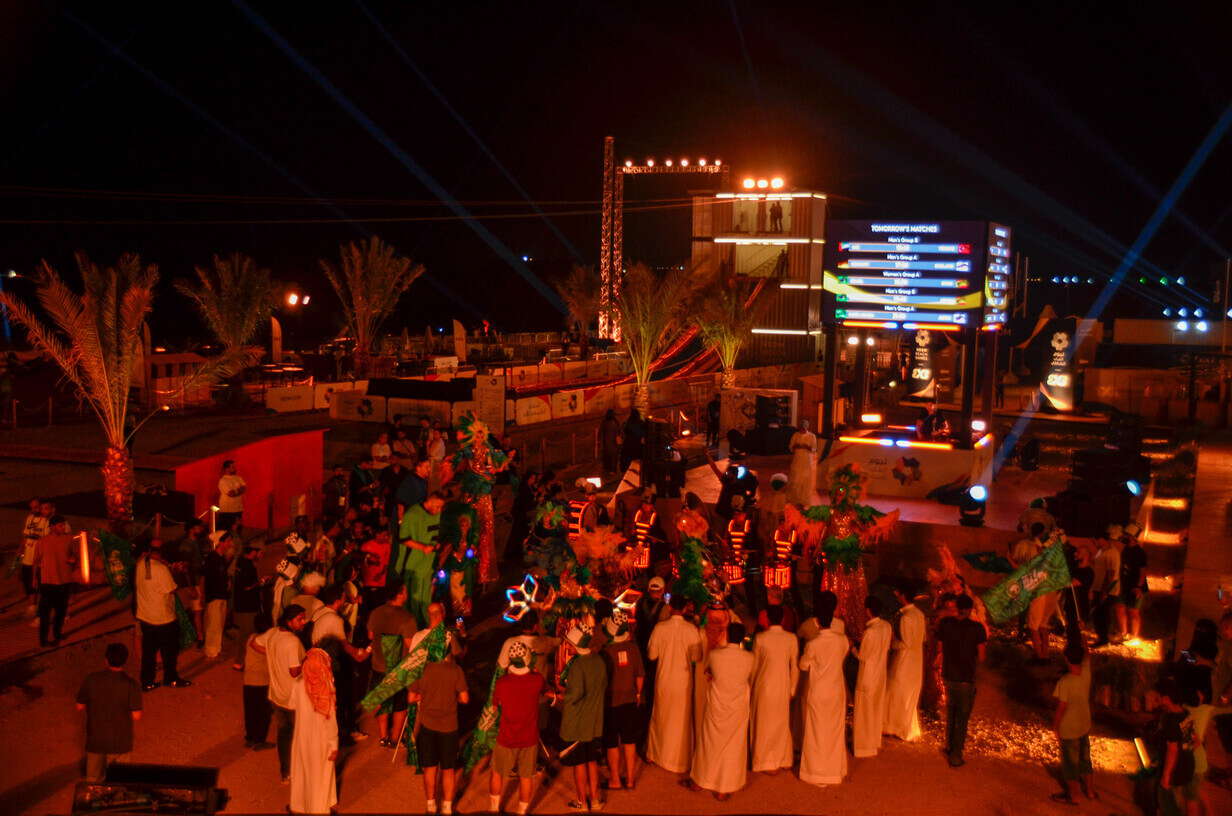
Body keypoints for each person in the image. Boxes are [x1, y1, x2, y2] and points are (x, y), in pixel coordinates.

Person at [688, 621, 755, 800]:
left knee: (709, 743)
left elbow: (707, 670)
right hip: (737, 707)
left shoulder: (715, 655)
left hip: (717, 705)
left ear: (727, 635)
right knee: (733, 747)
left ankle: (700, 781)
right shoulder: (749, 658)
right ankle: (724, 788)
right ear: (742, 639)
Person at [408, 627, 470, 815]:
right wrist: (454, 698)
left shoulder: (422, 670)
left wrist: (424, 696)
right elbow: (465, 699)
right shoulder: (456, 670)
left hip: (427, 726)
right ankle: (447, 807)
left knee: (430, 768)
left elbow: (411, 698)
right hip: (449, 727)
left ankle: (430, 806)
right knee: (449, 769)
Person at [646, 592, 702, 775]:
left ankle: (655, 753)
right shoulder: (691, 630)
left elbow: (652, 655)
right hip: (683, 680)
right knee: (681, 719)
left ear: (670, 607)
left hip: (664, 679)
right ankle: (680, 759)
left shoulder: (660, 628)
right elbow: (697, 657)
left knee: (661, 716)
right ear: (685, 608)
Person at [490, 641, 549, 815]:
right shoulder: (537, 680)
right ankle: (521, 811)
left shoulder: (502, 682)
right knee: (526, 777)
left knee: (496, 772)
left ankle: (494, 807)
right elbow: (543, 688)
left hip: (506, 736)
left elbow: (495, 706)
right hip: (529, 738)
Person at [309, 585, 373, 744]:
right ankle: (346, 732)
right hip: (333, 664)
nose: (346, 600)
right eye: (344, 597)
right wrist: (363, 651)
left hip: (318, 661)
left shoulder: (319, 612)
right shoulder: (335, 620)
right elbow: (346, 647)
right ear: (339, 600)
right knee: (344, 698)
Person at [799, 591, 849, 787]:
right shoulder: (842, 640)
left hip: (819, 691)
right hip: (836, 690)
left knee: (816, 731)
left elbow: (803, 665)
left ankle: (815, 772)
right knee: (835, 731)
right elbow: (843, 654)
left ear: (818, 622)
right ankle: (834, 771)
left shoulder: (813, 644)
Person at [256, 603, 308, 783]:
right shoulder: (293, 642)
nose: (303, 622)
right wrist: (309, 661)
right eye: (300, 619)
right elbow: (294, 671)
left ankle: (285, 772)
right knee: (300, 736)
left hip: (277, 695)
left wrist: (273, 654)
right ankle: (301, 772)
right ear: (289, 621)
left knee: (283, 735)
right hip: (293, 698)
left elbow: (254, 643)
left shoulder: (272, 633)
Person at [558, 624, 607, 812]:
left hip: (578, 722)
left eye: (569, 643)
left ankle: (581, 801)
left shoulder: (577, 665)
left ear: (577, 645)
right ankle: (595, 799)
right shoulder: (598, 660)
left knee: (579, 763)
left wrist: (558, 695)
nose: (567, 646)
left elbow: (575, 694)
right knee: (591, 761)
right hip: (595, 721)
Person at [76, 643, 142, 781]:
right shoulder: (131, 685)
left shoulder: (91, 680)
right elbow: (137, 716)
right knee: (119, 779)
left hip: (96, 739)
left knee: (93, 778)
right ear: (127, 660)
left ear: (106, 660)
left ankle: (93, 795)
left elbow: (80, 706)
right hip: (120, 741)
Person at [935, 593, 986, 767]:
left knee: (952, 713)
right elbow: (981, 656)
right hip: (966, 677)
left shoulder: (945, 623)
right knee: (962, 718)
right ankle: (956, 755)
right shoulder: (976, 628)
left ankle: (949, 746)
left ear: (957, 607)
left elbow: (940, 648)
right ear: (970, 609)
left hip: (948, 675)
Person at [367, 583, 418, 748]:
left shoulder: (376, 613)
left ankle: (383, 736)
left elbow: (370, 635)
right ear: (401, 594)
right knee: (400, 704)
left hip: (378, 665)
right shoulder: (407, 618)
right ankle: (395, 738)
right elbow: (410, 644)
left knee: (382, 702)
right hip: (398, 669)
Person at [289, 647, 339, 815]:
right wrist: (334, 744)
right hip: (321, 740)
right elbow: (330, 720)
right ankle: (319, 809)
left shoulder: (298, 683)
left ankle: (300, 806)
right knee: (320, 776)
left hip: (302, 736)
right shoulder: (326, 689)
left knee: (303, 771)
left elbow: (291, 704)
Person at [134, 540, 189, 690]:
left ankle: (147, 682)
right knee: (169, 651)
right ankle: (170, 678)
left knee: (148, 652)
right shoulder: (161, 569)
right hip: (163, 618)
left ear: (149, 550)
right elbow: (172, 589)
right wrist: (175, 573)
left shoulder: (141, 564)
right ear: (163, 551)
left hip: (146, 617)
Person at [750, 605, 799, 774]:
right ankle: (784, 758)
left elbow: (754, 665)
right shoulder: (791, 638)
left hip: (764, 685)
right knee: (781, 721)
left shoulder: (760, 638)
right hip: (783, 685)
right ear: (783, 619)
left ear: (768, 619)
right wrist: (792, 688)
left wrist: (750, 685)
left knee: (764, 723)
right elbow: (795, 666)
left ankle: (766, 760)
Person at [599, 609, 644, 790]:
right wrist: (638, 694)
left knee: (612, 743)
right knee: (629, 740)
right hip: (630, 699)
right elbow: (640, 675)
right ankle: (630, 779)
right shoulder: (634, 648)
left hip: (611, 702)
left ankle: (615, 779)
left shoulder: (606, 652)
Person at [1051, 642, 1094, 804]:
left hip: (1069, 728)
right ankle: (1090, 791)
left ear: (1067, 659)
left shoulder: (1065, 682)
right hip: (1084, 723)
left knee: (1070, 764)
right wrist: (1083, 641)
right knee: (1085, 758)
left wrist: (1055, 727)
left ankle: (1074, 796)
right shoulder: (1086, 671)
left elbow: (1061, 709)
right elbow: (1087, 656)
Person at [883, 580, 924, 742]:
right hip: (916, 660)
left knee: (895, 692)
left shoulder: (906, 617)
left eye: (899, 594)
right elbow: (921, 638)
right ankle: (901, 727)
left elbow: (905, 643)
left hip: (904, 660)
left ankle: (893, 727)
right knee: (906, 695)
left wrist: (892, 641)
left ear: (903, 596)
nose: (897, 596)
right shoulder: (919, 614)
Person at [852, 595, 892, 758]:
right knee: (875, 710)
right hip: (880, 675)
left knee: (863, 713)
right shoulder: (886, 626)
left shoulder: (870, 632)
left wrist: (853, 648)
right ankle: (874, 741)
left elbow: (862, 656)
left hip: (867, 676)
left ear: (868, 611)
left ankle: (863, 747)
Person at [399, 491, 446, 627]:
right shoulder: (412, 514)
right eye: (438, 506)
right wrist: (423, 547)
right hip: (413, 565)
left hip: (427, 565)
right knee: (413, 601)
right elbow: (403, 538)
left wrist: (435, 544)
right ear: (430, 502)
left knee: (425, 599)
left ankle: (427, 626)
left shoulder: (435, 514)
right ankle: (414, 628)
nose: (439, 510)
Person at [1154, 677, 1197, 816]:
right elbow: (1195, 741)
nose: (1155, 698)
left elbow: (1172, 750)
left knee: (1167, 806)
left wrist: (1166, 776)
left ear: (1166, 698)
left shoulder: (1170, 721)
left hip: (1174, 771)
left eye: (1157, 696)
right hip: (1188, 766)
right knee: (1176, 803)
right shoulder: (1186, 713)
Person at [33, 514, 75, 647]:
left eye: (64, 525)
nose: (63, 528)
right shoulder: (43, 541)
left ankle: (57, 634)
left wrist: (72, 560)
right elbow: (36, 560)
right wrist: (34, 577)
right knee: (45, 613)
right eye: (60, 525)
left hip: (64, 580)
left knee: (61, 611)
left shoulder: (68, 539)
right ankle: (43, 639)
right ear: (52, 527)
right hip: (48, 581)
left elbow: (73, 554)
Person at [242, 612, 275, 750]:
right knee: (263, 713)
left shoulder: (252, 637)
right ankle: (260, 740)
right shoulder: (268, 641)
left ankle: (250, 738)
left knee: (250, 711)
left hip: (248, 680)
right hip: (262, 681)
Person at [202, 531, 233, 659]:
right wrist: (204, 596)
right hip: (214, 596)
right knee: (213, 624)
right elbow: (204, 577)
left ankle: (217, 648)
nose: (230, 543)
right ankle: (211, 650)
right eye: (228, 541)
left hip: (222, 595)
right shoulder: (212, 558)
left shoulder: (221, 558)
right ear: (220, 542)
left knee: (219, 623)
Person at [1116, 523, 1148, 645]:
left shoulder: (1139, 553)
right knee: (1119, 607)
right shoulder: (1125, 549)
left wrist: (1138, 587)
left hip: (1135, 586)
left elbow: (1143, 571)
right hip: (1124, 585)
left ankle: (1134, 637)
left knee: (1133, 611)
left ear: (1132, 537)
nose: (1123, 536)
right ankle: (1123, 633)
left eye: (1126, 535)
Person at [232, 544, 263, 671]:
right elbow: (248, 587)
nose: (260, 556)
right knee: (247, 636)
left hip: (241, 606)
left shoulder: (240, 563)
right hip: (248, 607)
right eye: (260, 552)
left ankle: (245, 661)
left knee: (246, 635)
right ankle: (240, 662)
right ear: (253, 552)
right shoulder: (248, 567)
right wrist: (261, 582)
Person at [19, 497, 48, 617]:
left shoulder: (46, 521)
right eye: (32, 508)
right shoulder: (30, 518)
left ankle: (41, 607)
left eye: (36, 507)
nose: (34, 510)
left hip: (39, 556)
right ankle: (32, 606)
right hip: (28, 555)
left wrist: (35, 536)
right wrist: (20, 549)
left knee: (39, 582)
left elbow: (46, 538)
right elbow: (26, 536)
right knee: (28, 581)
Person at [786, 420, 817, 506]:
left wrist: (807, 447)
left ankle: (805, 501)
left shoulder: (811, 436)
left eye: (804, 428)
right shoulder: (795, 435)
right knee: (795, 478)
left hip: (806, 461)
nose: (802, 429)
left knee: (805, 480)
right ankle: (794, 499)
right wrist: (796, 446)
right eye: (801, 428)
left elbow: (814, 449)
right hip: (797, 460)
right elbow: (791, 447)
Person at [217, 460, 247, 536]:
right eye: (232, 467)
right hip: (227, 510)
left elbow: (245, 488)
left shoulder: (238, 478)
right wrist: (239, 491)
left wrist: (235, 492)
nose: (235, 468)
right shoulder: (223, 481)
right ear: (227, 469)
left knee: (238, 530)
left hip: (238, 509)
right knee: (226, 532)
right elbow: (231, 494)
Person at [322, 464, 350, 529]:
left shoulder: (345, 482)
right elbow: (323, 498)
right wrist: (324, 513)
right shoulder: (330, 483)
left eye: (341, 470)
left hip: (341, 511)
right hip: (331, 512)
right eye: (337, 471)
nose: (340, 472)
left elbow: (346, 495)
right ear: (334, 472)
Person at [599, 409, 621, 475]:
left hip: (607, 442)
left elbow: (601, 432)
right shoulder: (615, 422)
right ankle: (612, 469)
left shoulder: (604, 422)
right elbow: (618, 430)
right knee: (613, 456)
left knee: (608, 455)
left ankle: (608, 468)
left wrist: (599, 441)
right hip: (613, 442)